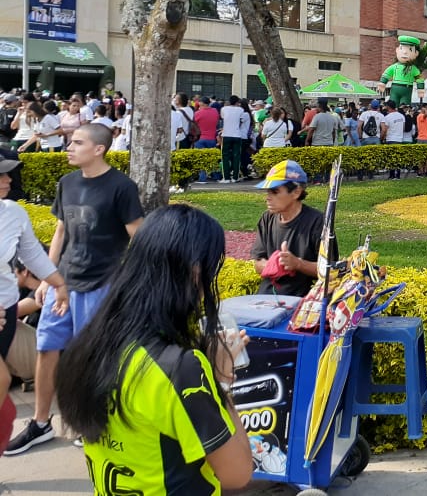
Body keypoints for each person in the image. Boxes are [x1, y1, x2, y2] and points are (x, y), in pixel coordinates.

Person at [54, 205, 253, 493]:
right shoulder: (179, 367)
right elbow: (237, 473)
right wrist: (221, 383)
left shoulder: (90, 346)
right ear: (195, 272)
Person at [7, 124, 144, 455]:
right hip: (63, 285)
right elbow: (60, 232)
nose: (69, 147)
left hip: (101, 284)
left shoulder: (121, 187)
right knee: (46, 349)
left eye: (77, 142)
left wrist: (130, 282)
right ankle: (41, 422)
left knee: (92, 357)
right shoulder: (67, 183)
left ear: (99, 149)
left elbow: (139, 237)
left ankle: (91, 421)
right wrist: (47, 277)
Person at [0, 159, 68, 454]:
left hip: (6, 310)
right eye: (1, 175)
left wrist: (58, 284)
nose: (8, 180)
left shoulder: (13, 213)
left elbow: (32, 254)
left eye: (7, 174)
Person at [250, 161, 333, 299]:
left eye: (275, 192)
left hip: (303, 303)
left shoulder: (318, 222)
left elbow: (331, 270)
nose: (268, 198)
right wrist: (273, 265)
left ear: (296, 192)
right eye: (267, 191)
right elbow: (257, 263)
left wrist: (298, 264)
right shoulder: (267, 219)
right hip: (265, 299)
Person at [219, 96, 248, 183]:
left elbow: (223, 117)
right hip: (237, 135)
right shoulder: (241, 110)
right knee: (236, 156)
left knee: (225, 156)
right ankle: (235, 177)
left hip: (226, 134)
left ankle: (226, 178)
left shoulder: (224, 109)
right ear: (237, 102)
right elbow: (241, 121)